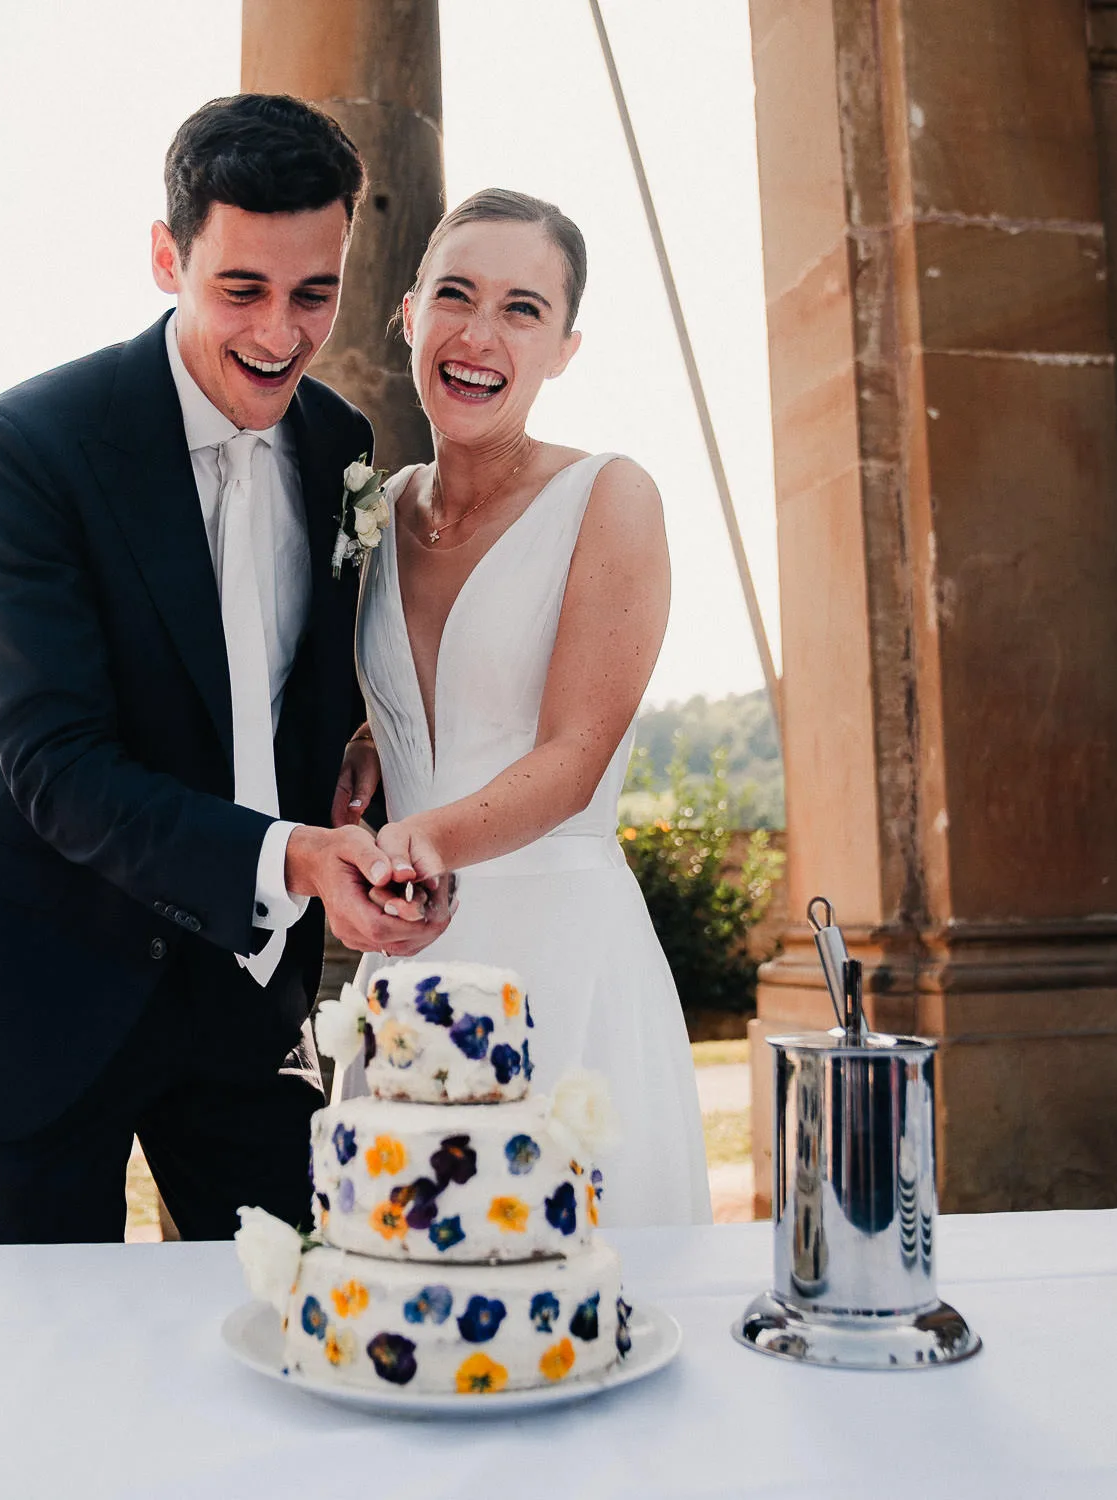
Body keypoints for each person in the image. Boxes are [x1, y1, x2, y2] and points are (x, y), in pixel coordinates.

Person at [0, 95, 452, 1246]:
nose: (282, 333)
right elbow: (55, 763)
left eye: (315, 293)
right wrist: (292, 856)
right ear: (166, 257)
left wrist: (361, 771)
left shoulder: (340, 446)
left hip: (244, 1005)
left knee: (296, 1309)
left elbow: (286, 690)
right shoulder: (24, 447)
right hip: (40, 984)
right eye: (242, 289)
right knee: (59, 1344)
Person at [332, 189, 710, 1227]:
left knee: (571, 1275)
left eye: (523, 309)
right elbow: (444, 699)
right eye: (455, 296)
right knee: (399, 1282)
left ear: (565, 348)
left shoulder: (610, 496)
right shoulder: (378, 511)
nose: (479, 335)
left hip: (563, 955)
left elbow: (576, 754)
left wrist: (407, 848)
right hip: (408, 954)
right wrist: (369, 740)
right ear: (409, 314)